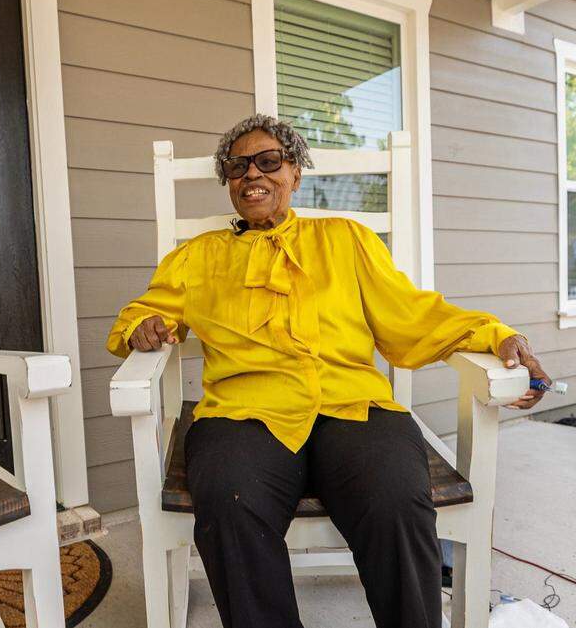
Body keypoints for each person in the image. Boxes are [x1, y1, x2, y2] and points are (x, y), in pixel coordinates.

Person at [105, 114, 553, 628]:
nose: (252, 174)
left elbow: (413, 314)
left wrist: (500, 336)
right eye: (237, 166)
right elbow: (145, 312)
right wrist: (144, 326)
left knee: (396, 500)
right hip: (243, 414)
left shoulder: (346, 239)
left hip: (352, 404)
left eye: (269, 161)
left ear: (295, 173)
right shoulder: (197, 257)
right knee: (231, 502)